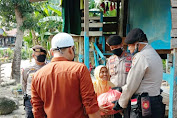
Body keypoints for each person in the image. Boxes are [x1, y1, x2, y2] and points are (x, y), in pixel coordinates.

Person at [30, 32, 101, 118]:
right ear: (71, 49)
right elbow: (90, 103)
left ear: (52, 52)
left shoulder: (37, 76)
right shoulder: (80, 69)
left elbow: (37, 109)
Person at [116, 28, 165, 118]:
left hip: (144, 104)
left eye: (130, 46)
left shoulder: (141, 56)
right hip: (156, 101)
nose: (129, 49)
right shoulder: (154, 54)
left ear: (138, 45)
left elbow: (132, 85)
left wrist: (121, 103)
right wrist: (121, 88)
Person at [106, 35, 132, 118]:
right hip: (114, 96)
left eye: (116, 47)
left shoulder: (131, 58)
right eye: (112, 48)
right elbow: (107, 78)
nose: (114, 49)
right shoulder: (110, 60)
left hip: (128, 94)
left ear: (121, 44)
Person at [22, 45, 47, 118]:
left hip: (45, 100)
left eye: (43, 55)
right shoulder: (27, 69)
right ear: (33, 56)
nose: (41, 56)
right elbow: (24, 84)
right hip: (30, 101)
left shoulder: (49, 67)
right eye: (39, 55)